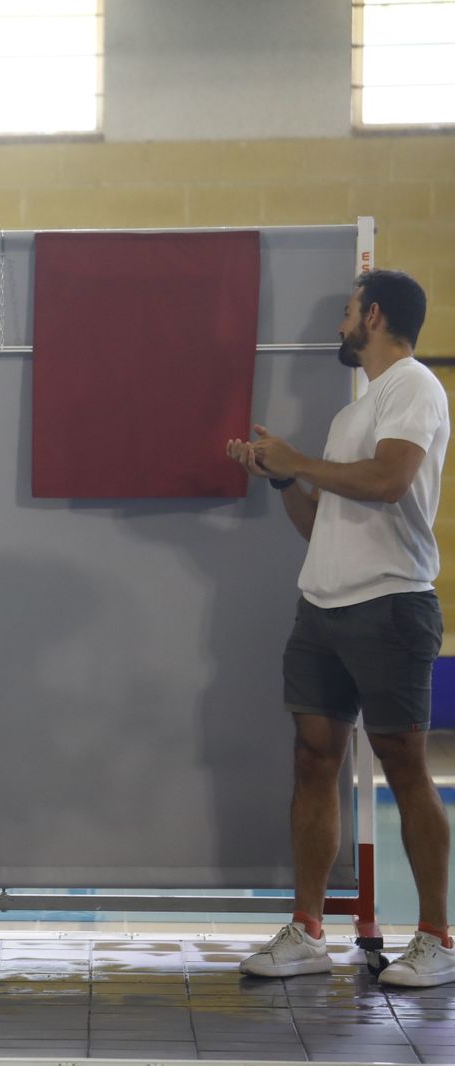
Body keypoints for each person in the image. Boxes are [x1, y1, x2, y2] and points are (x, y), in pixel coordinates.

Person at [227, 269, 453, 987]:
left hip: (389, 605)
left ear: (375, 316)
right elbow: (326, 527)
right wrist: (285, 478)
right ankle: (308, 929)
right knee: (313, 758)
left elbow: (389, 481)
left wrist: (302, 461)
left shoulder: (415, 385)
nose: (339, 326)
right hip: (322, 607)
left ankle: (437, 938)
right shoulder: (351, 415)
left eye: (348, 313)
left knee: (404, 765)